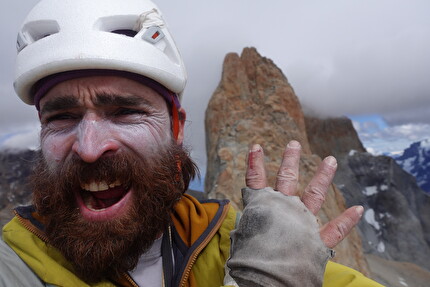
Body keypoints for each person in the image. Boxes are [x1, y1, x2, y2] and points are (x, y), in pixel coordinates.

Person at [0, 0, 383, 286]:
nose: (89, 147)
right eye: (61, 117)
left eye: (126, 112)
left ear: (177, 128)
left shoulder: (245, 243)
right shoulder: (14, 263)